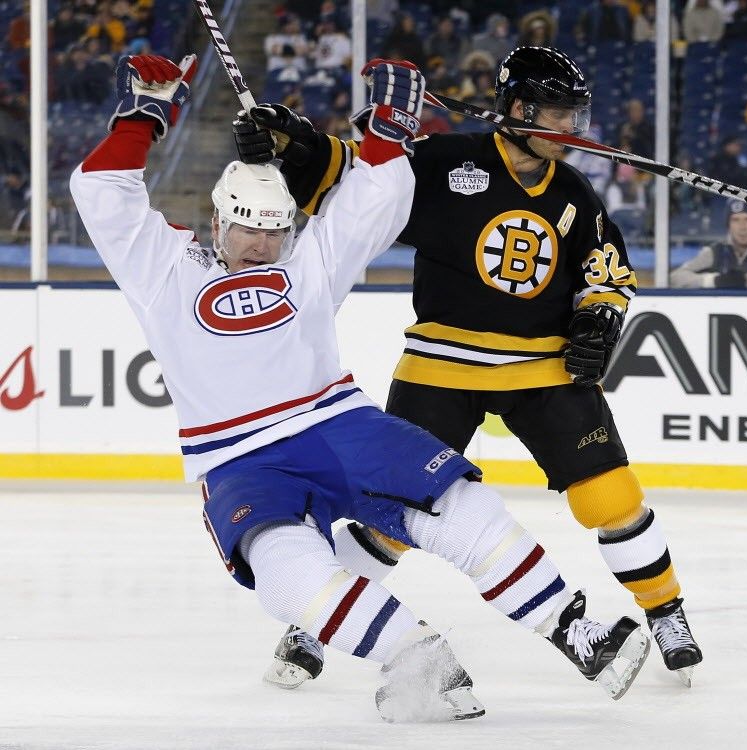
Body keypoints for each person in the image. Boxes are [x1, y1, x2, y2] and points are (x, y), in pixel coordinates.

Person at [71, 53, 652, 722]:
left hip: (337, 425)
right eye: (246, 229)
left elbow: (374, 196)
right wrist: (145, 114)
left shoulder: (310, 258)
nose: (261, 245)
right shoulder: (164, 270)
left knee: (458, 504)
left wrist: (388, 128)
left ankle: (574, 631)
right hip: (234, 458)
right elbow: (102, 193)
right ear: (215, 223)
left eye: (274, 230)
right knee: (287, 577)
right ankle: (417, 658)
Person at [233, 45, 704, 689]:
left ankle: (666, 612)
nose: (572, 127)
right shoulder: (444, 162)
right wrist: (296, 146)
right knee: (389, 516)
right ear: (519, 110)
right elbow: (359, 182)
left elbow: (606, 272)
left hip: (542, 369)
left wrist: (599, 314)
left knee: (611, 497)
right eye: (559, 113)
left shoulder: (575, 193)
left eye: (575, 113)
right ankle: (313, 626)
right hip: (440, 365)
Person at [670, 200, 747, 289]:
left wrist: (744, 280)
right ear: (728, 225)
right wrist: (713, 281)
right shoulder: (715, 251)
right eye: (735, 220)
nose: (742, 227)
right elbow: (676, 277)